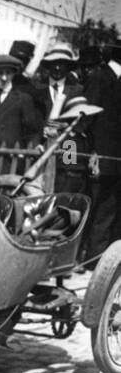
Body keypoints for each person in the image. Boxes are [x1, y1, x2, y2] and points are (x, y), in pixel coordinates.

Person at [84, 36, 120, 255]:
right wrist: (92, 152)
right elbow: (86, 118)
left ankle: (97, 257)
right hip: (97, 158)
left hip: (115, 160)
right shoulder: (100, 77)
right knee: (92, 205)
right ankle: (81, 255)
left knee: (108, 208)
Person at [0, 54, 43, 147]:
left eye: (8, 73)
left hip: (9, 158)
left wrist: (35, 145)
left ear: (14, 74)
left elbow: (31, 132)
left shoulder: (23, 99)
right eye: (0, 73)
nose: (4, 78)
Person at [34, 44, 83, 123]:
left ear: (68, 66)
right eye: (54, 63)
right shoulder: (36, 87)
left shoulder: (77, 90)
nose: (57, 68)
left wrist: (65, 126)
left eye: (61, 64)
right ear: (49, 65)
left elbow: (79, 119)